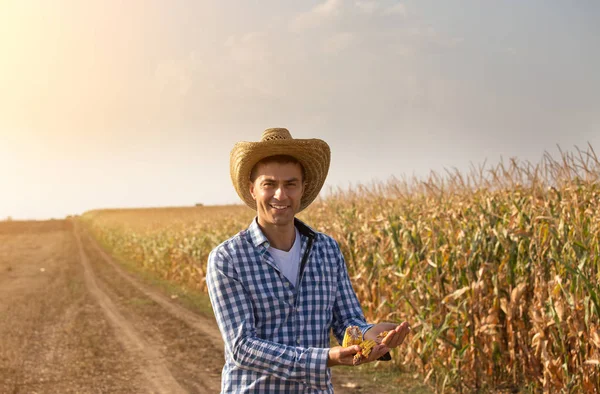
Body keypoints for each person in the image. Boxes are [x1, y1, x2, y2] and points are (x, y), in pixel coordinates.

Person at [207, 128, 410, 393]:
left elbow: (348, 320)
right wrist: (326, 357)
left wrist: (371, 335)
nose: (281, 195)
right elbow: (242, 348)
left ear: (302, 188)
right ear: (252, 189)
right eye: (269, 184)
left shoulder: (326, 250)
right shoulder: (228, 258)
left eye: (290, 184)